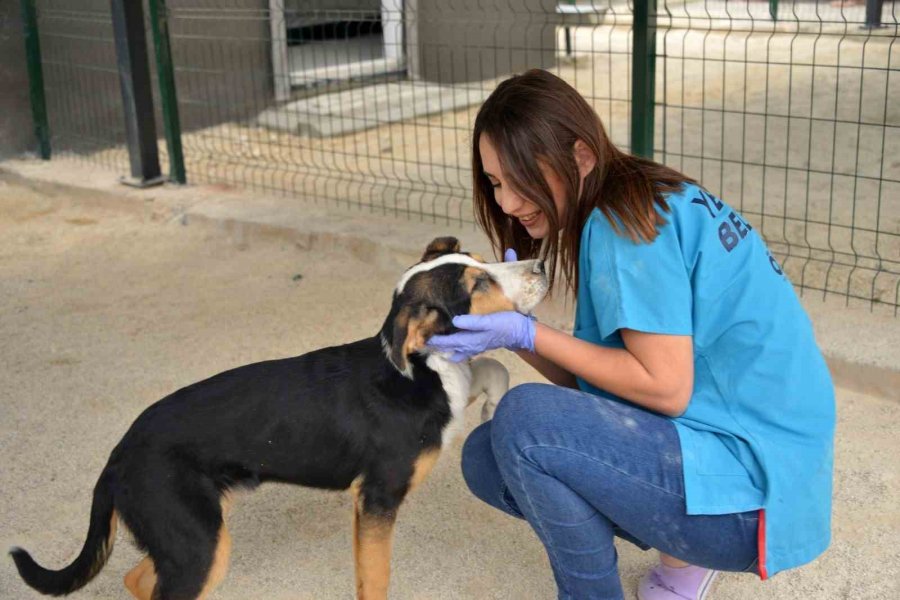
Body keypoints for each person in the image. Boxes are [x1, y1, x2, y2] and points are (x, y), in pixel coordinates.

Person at [427, 69, 835, 600]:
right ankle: (684, 556)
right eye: (496, 182)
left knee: (524, 421)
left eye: (520, 179)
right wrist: (513, 333)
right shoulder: (637, 197)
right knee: (490, 455)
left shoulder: (623, 225)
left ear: (580, 157)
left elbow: (664, 389)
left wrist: (526, 333)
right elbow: (608, 384)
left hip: (753, 493)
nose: (505, 204)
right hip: (763, 460)